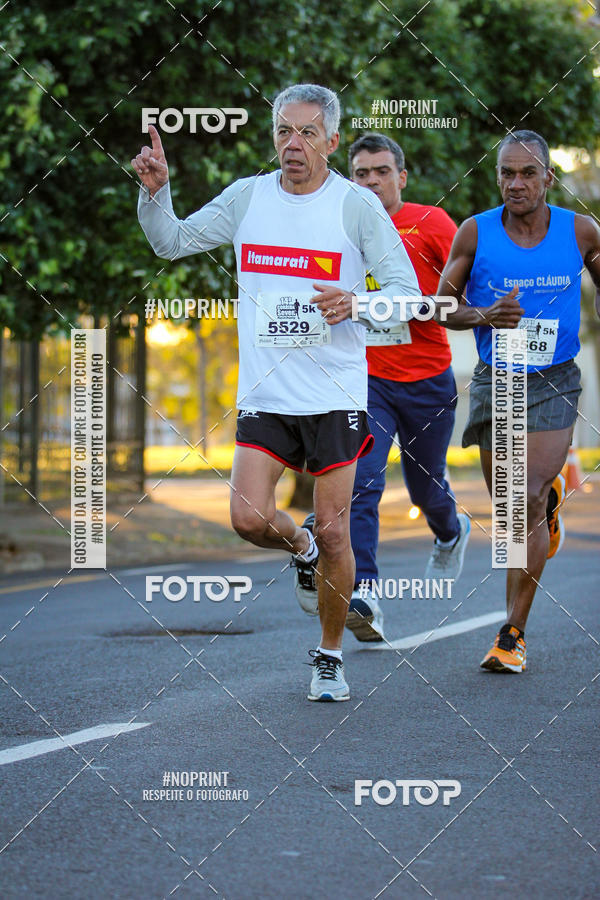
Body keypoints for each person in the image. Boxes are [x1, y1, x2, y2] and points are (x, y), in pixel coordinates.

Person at [132, 84, 420, 701]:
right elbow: (172, 241)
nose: (293, 144)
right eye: (284, 132)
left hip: (336, 393)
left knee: (340, 530)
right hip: (266, 393)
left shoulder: (355, 207)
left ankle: (329, 657)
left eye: (308, 133)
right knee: (247, 517)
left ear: (333, 141)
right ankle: (301, 545)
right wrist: (156, 193)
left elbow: (408, 294)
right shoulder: (248, 197)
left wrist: (359, 302)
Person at [436, 129, 600, 672]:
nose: (516, 183)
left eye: (528, 173)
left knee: (524, 494)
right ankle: (544, 508)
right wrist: (487, 316)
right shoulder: (475, 233)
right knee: (511, 511)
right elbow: (441, 309)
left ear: (548, 177)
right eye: (507, 173)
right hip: (496, 378)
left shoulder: (579, 231)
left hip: (554, 377)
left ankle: (512, 634)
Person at [345, 133, 470, 642]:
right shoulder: (342, 226)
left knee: (424, 486)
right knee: (363, 481)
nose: (371, 181)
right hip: (368, 378)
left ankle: (449, 529)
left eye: (381, 171)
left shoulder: (432, 223)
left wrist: (418, 305)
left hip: (428, 382)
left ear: (402, 176)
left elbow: (461, 298)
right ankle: (367, 593)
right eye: (361, 173)